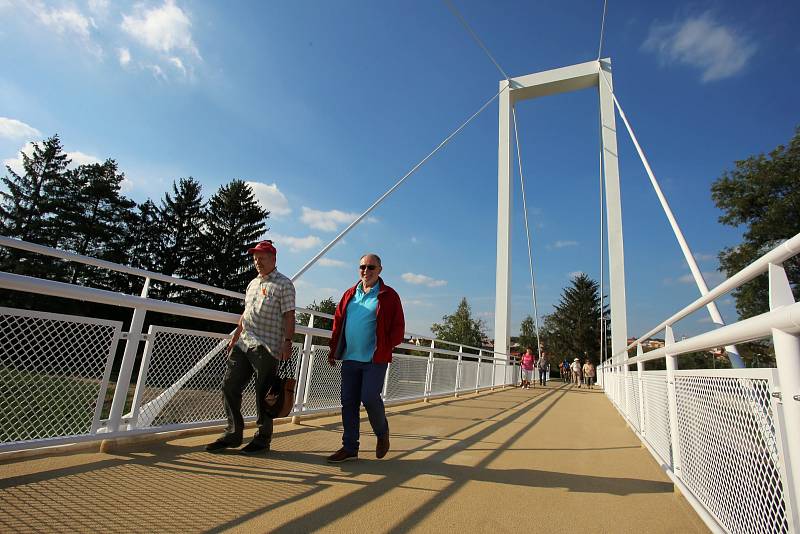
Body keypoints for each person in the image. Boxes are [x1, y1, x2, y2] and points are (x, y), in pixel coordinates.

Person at [206, 240, 296, 454]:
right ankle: (233, 433)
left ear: (273, 259)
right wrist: (236, 335)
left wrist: (288, 342)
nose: (257, 262)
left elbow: (290, 315)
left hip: (267, 346)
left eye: (262, 258)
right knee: (229, 385)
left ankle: (262, 439)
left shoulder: (284, 284)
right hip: (244, 341)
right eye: (255, 258)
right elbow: (246, 313)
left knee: (264, 393)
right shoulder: (252, 283)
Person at [326, 253, 405, 463]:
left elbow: (399, 328)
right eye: (362, 266)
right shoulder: (350, 294)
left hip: (374, 359)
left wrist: (386, 345)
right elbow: (338, 323)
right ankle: (350, 447)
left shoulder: (389, 295)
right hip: (350, 358)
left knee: (369, 398)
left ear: (380, 270)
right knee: (348, 402)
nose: (366, 271)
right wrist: (334, 348)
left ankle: (382, 433)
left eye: (371, 267)